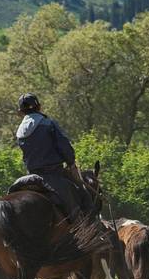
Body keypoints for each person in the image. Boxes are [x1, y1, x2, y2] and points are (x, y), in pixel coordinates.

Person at [13, 93, 94, 221]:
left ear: (21, 111)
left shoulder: (19, 131)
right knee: (85, 197)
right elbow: (64, 146)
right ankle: (86, 230)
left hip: (31, 174)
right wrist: (71, 162)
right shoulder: (49, 123)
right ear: (39, 106)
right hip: (54, 173)